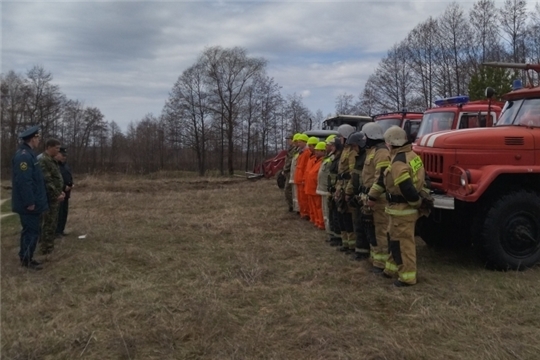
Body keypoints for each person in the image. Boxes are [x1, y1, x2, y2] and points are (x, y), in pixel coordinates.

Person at [370, 126, 427, 287]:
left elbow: (406, 187)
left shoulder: (398, 161)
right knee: (394, 240)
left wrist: (415, 203)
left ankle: (407, 277)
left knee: (403, 244)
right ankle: (391, 269)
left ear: (391, 143)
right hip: (400, 209)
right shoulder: (411, 155)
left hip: (402, 209)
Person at [11, 125, 48, 270]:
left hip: (33, 202)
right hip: (29, 204)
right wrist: (30, 202)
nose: (39, 140)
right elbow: (24, 182)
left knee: (31, 230)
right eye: (38, 138)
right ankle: (26, 259)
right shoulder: (24, 156)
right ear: (33, 139)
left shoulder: (30, 154)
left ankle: (27, 256)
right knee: (31, 231)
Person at [362, 123, 391, 273]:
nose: (363, 139)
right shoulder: (373, 151)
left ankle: (382, 263)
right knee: (372, 229)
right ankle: (375, 259)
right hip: (372, 197)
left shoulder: (382, 153)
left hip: (380, 200)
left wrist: (372, 196)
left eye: (365, 136)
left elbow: (381, 179)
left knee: (381, 230)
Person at [345, 131, 369, 261]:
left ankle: (363, 252)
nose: (353, 149)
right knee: (358, 222)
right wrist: (349, 192)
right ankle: (360, 251)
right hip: (357, 194)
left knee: (363, 224)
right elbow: (354, 176)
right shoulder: (359, 157)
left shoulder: (366, 157)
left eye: (354, 146)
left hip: (363, 194)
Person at [38, 138, 65, 255]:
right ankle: (45, 248)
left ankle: (49, 246)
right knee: (48, 223)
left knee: (53, 222)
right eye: (56, 148)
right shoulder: (43, 160)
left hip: (55, 196)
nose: (58, 151)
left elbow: (56, 177)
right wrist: (56, 194)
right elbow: (47, 180)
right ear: (49, 147)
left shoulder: (51, 160)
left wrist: (61, 191)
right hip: (49, 197)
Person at [334, 124, 357, 253]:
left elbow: (352, 172)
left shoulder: (352, 152)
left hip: (347, 186)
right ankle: (345, 242)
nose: (339, 139)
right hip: (341, 187)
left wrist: (348, 189)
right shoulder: (345, 150)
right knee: (342, 216)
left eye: (341, 136)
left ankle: (351, 245)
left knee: (348, 218)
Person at [316, 135, 339, 241]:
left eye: (328, 144)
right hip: (324, 188)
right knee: (326, 212)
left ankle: (331, 233)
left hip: (327, 189)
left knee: (329, 212)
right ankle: (329, 232)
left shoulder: (333, 158)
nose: (326, 146)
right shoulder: (329, 157)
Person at [305, 142, 327, 230]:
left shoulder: (322, 161)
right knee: (314, 206)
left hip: (316, 187)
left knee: (319, 207)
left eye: (318, 150)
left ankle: (321, 223)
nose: (316, 152)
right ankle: (316, 220)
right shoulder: (315, 160)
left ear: (324, 151)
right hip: (311, 187)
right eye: (316, 150)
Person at [55, 147, 73, 237]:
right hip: (59, 192)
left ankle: (61, 229)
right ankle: (56, 231)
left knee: (64, 212)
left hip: (67, 193)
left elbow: (69, 176)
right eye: (62, 155)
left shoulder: (65, 165)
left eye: (65, 156)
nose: (64, 157)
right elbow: (54, 179)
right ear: (58, 154)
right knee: (58, 213)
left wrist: (71, 184)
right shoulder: (55, 165)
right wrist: (63, 187)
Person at [290, 133, 308, 213]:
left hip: (301, 178)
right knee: (299, 197)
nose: (298, 143)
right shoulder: (300, 152)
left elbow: (305, 167)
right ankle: (302, 211)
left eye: (300, 142)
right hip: (298, 177)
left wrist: (303, 178)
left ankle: (304, 212)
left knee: (303, 197)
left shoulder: (306, 152)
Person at [283, 134, 299, 212]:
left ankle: (293, 205)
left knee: (288, 190)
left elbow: (290, 161)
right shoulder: (291, 149)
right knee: (288, 190)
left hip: (290, 171)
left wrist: (286, 169)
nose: (288, 141)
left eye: (289, 139)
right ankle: (292, 205)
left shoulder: (294, 150)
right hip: (288, 171)